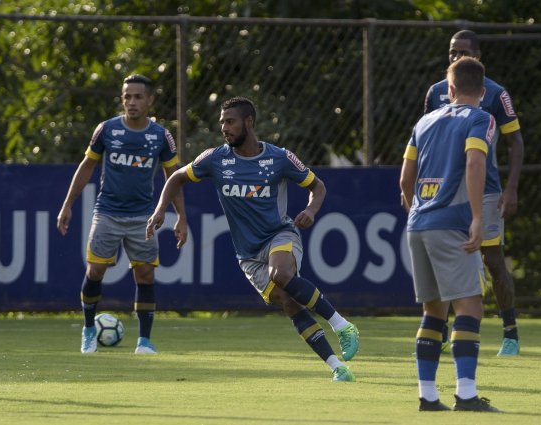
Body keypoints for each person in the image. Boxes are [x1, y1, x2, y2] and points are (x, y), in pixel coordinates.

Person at [146, 97, 359, 382]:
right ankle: (337, 367)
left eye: (230, 121)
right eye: (222, 122)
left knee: (281, 274)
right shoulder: (215, 158)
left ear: (249, 122)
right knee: (288, 302)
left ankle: (341, 324)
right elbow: (176, 179)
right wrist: (162, 211)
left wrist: (310, 209)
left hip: (279, 234)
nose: (224, 127)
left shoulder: (279, 158)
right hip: (247, 254)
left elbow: (317, 186)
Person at [57, 74, 187, 355]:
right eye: (127, 96)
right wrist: (67, 204)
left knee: (146, 275)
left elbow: (173, 177)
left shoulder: (160, 135)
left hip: (143, 217)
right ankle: (89, 329)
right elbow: (86, 166)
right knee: (95, 270)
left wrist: (181, 218)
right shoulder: (106, 130)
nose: (131, 102)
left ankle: (145, 341)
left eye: (138, 96)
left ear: (150, 100)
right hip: (107, 212)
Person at [401, 57, 500, 412]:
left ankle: (428, 396)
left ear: (451, 89)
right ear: (484, 92)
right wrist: (476, 216)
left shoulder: (424, 121)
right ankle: (467, 394)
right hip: (451, 223)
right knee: (470, 304)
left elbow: (404, 179)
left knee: (434, 311)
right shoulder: (481, 118)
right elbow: (475, 163)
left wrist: (417, 208)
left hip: (419, 223)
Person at [423, 30, 524, 357]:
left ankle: (510, 332)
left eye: (463, 51)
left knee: (493, 260)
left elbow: (515, 142)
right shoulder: (437, 93)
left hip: (486, 190)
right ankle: (439, 333)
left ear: (478, 55)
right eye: (452, 51)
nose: (455, 57)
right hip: (446, 194)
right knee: (444, 262)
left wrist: (511, 188)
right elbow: (426, 141)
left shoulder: (494, 93)